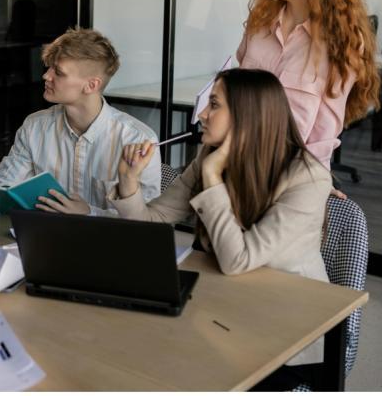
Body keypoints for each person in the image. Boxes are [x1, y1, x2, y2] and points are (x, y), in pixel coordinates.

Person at [111, 68, 331, 389]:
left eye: (213, 104)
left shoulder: (307, 177)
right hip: (223, 310)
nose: (201, 114)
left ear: (246, 115)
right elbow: (151, 223)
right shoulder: (208, 156)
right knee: (131, 354)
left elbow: (238, 261)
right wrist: (128, 181)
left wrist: (213, 178)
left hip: (287, 333)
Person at [237, 0, 380, 171]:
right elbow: (236, 94)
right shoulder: (259, 26)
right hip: (238, 158)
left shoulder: (343, 38)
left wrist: (311, 185)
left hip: (293, 172)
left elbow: (325, 129)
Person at [0, 27, 161, 215]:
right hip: (43, 235)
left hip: (107, 242)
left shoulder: (138, 139)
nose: (46, 76)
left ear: (91, 85)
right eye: (49, 68)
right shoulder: (34, 127)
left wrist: (88, 213)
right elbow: (0, 186)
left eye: (59, 72)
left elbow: (148, 220)